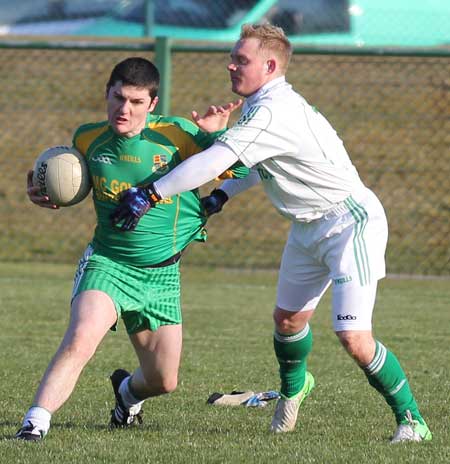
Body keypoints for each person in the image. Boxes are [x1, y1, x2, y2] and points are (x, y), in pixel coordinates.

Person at [110, 25, 432, 443]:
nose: (231, 64)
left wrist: (151, 193)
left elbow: (218, 158)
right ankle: (294, 391)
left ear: (271, 65)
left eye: (240, 59)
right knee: (287, 321)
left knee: (353, 337)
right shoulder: (261, 107)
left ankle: (412, 422)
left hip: (349, 222)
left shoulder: (274, 110)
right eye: (232, 56)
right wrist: (221, 195)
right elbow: (257, 165)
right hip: (307, 226)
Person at [16, 56, 244, 441]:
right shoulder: (87, 139)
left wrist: (216, 138)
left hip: (162, 275)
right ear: (106, 93)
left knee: (164, 380)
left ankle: (126, 395)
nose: (124, 109)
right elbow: (67, 180)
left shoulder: (178, 134)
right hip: (109, 263)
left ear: (152, 104)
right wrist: (46, 190)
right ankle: (35, 423)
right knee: (81, 337)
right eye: (118, 97)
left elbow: (240, 168)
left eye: (136, 102)